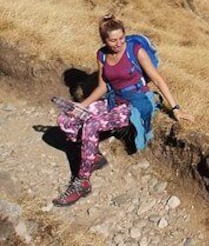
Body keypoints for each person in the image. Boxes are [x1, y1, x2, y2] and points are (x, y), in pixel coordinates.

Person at [53, 15, 194, 206]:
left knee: (92, 123)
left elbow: (158, 80)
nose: (118, 43)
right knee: (65, 120)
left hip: (136, 103)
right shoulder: (102, 55)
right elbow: (103, 87)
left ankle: (82, 182)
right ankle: (92, 156)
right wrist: (82, 106)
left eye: (121, 38)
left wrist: (176, 108)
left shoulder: (136, 51)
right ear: (104, 40)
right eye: (113, 40)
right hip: (114, 100)